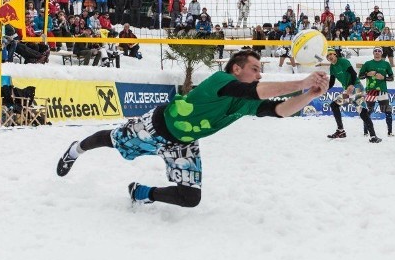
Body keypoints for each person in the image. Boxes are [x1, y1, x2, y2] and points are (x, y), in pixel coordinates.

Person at [56, 50, 329, 207]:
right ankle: (75, 150)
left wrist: (310, 95)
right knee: (112, 139)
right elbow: (256, 91)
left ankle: (141, 192)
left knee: (190, 198)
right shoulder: (220, 80)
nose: (260, 74)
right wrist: (301, 82)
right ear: (236, 68)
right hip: (158, 126)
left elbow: (278, 110)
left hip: (184, 142)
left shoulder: (243, 102)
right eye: (255, 69)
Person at [326, 48, 381, 143]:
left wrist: (351, 85)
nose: (329, 57)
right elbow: (331, 82)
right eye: (327, 56)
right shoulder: (332, 67)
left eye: (331, 54)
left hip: (356, 88)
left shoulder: (343, 61)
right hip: (350, 91)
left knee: (334, 105)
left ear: (335, 55)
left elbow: (353, 73)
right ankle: (373, 136)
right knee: (363, 113)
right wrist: (324, 89)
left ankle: (341, 131)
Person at [358, 47, 395, 137]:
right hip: (371, 91)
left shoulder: (386, 64)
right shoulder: (367, 63)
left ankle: (390, 132)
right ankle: (366, 132)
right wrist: (367, 74)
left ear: (382, 53)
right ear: (373, 53)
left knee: (388, 111)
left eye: (379, 51)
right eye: (375, 51)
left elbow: (392, 77)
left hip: (382, 91)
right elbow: (360, 76)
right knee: (368, 112)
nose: (377, 52)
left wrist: (384, 78)